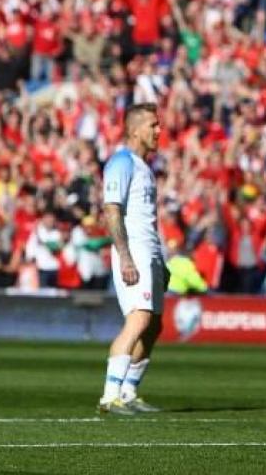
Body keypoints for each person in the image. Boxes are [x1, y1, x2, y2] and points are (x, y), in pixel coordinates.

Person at [98, 103, 168, 415]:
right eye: (153, 125)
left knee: (153, 325)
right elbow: (112, 209)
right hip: (134, 250)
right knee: (138, 319)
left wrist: (160, 261)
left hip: (149, 250)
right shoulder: (121, 162)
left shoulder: (144, 166)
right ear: (136, 129)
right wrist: (125, 256)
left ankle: (127, 392)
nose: (159, 131)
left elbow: (148, 219)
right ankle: (109, 395)